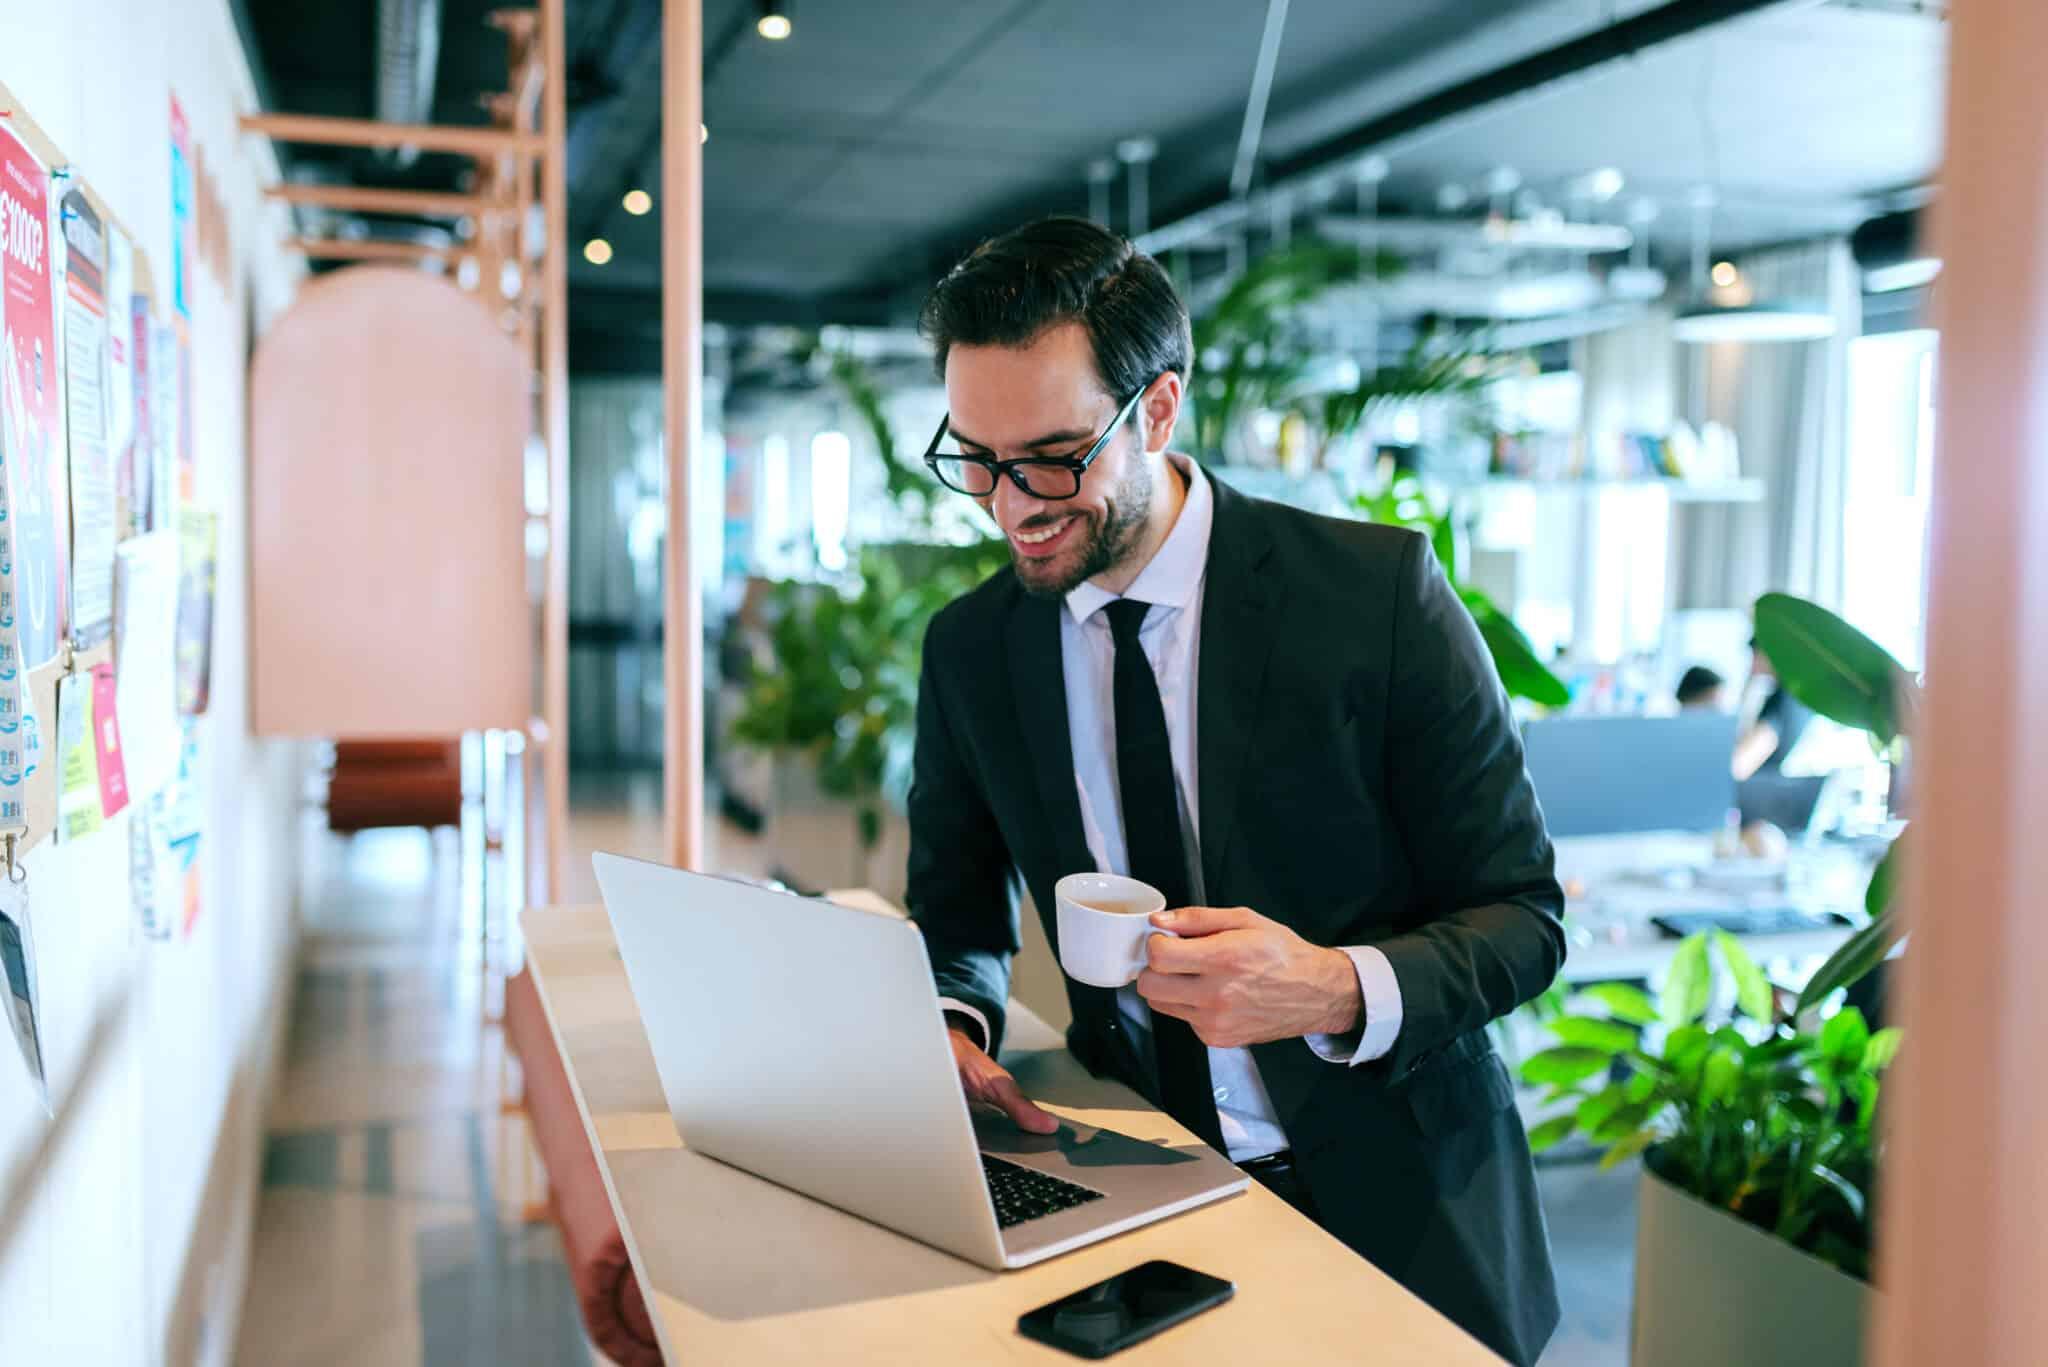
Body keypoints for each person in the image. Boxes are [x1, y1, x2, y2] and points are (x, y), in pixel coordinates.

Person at [904, 217, 1565, 1366]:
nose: (1011, 504)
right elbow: (956, 910)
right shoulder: (972, 648)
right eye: (975, 457)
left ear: (1156, 409)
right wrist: (954, 1022)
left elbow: (1524, 915)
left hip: (1398, 1208)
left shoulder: (1375, 595)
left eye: (1053, 456)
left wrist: (1327, 986)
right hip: (1137, 1195)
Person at [1733, 640, 1814, 780]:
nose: (1752, 665)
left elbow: (1740, 765)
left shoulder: (1784, 699)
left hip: (1764, 787)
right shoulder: (1800, 694)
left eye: (1756, 656)